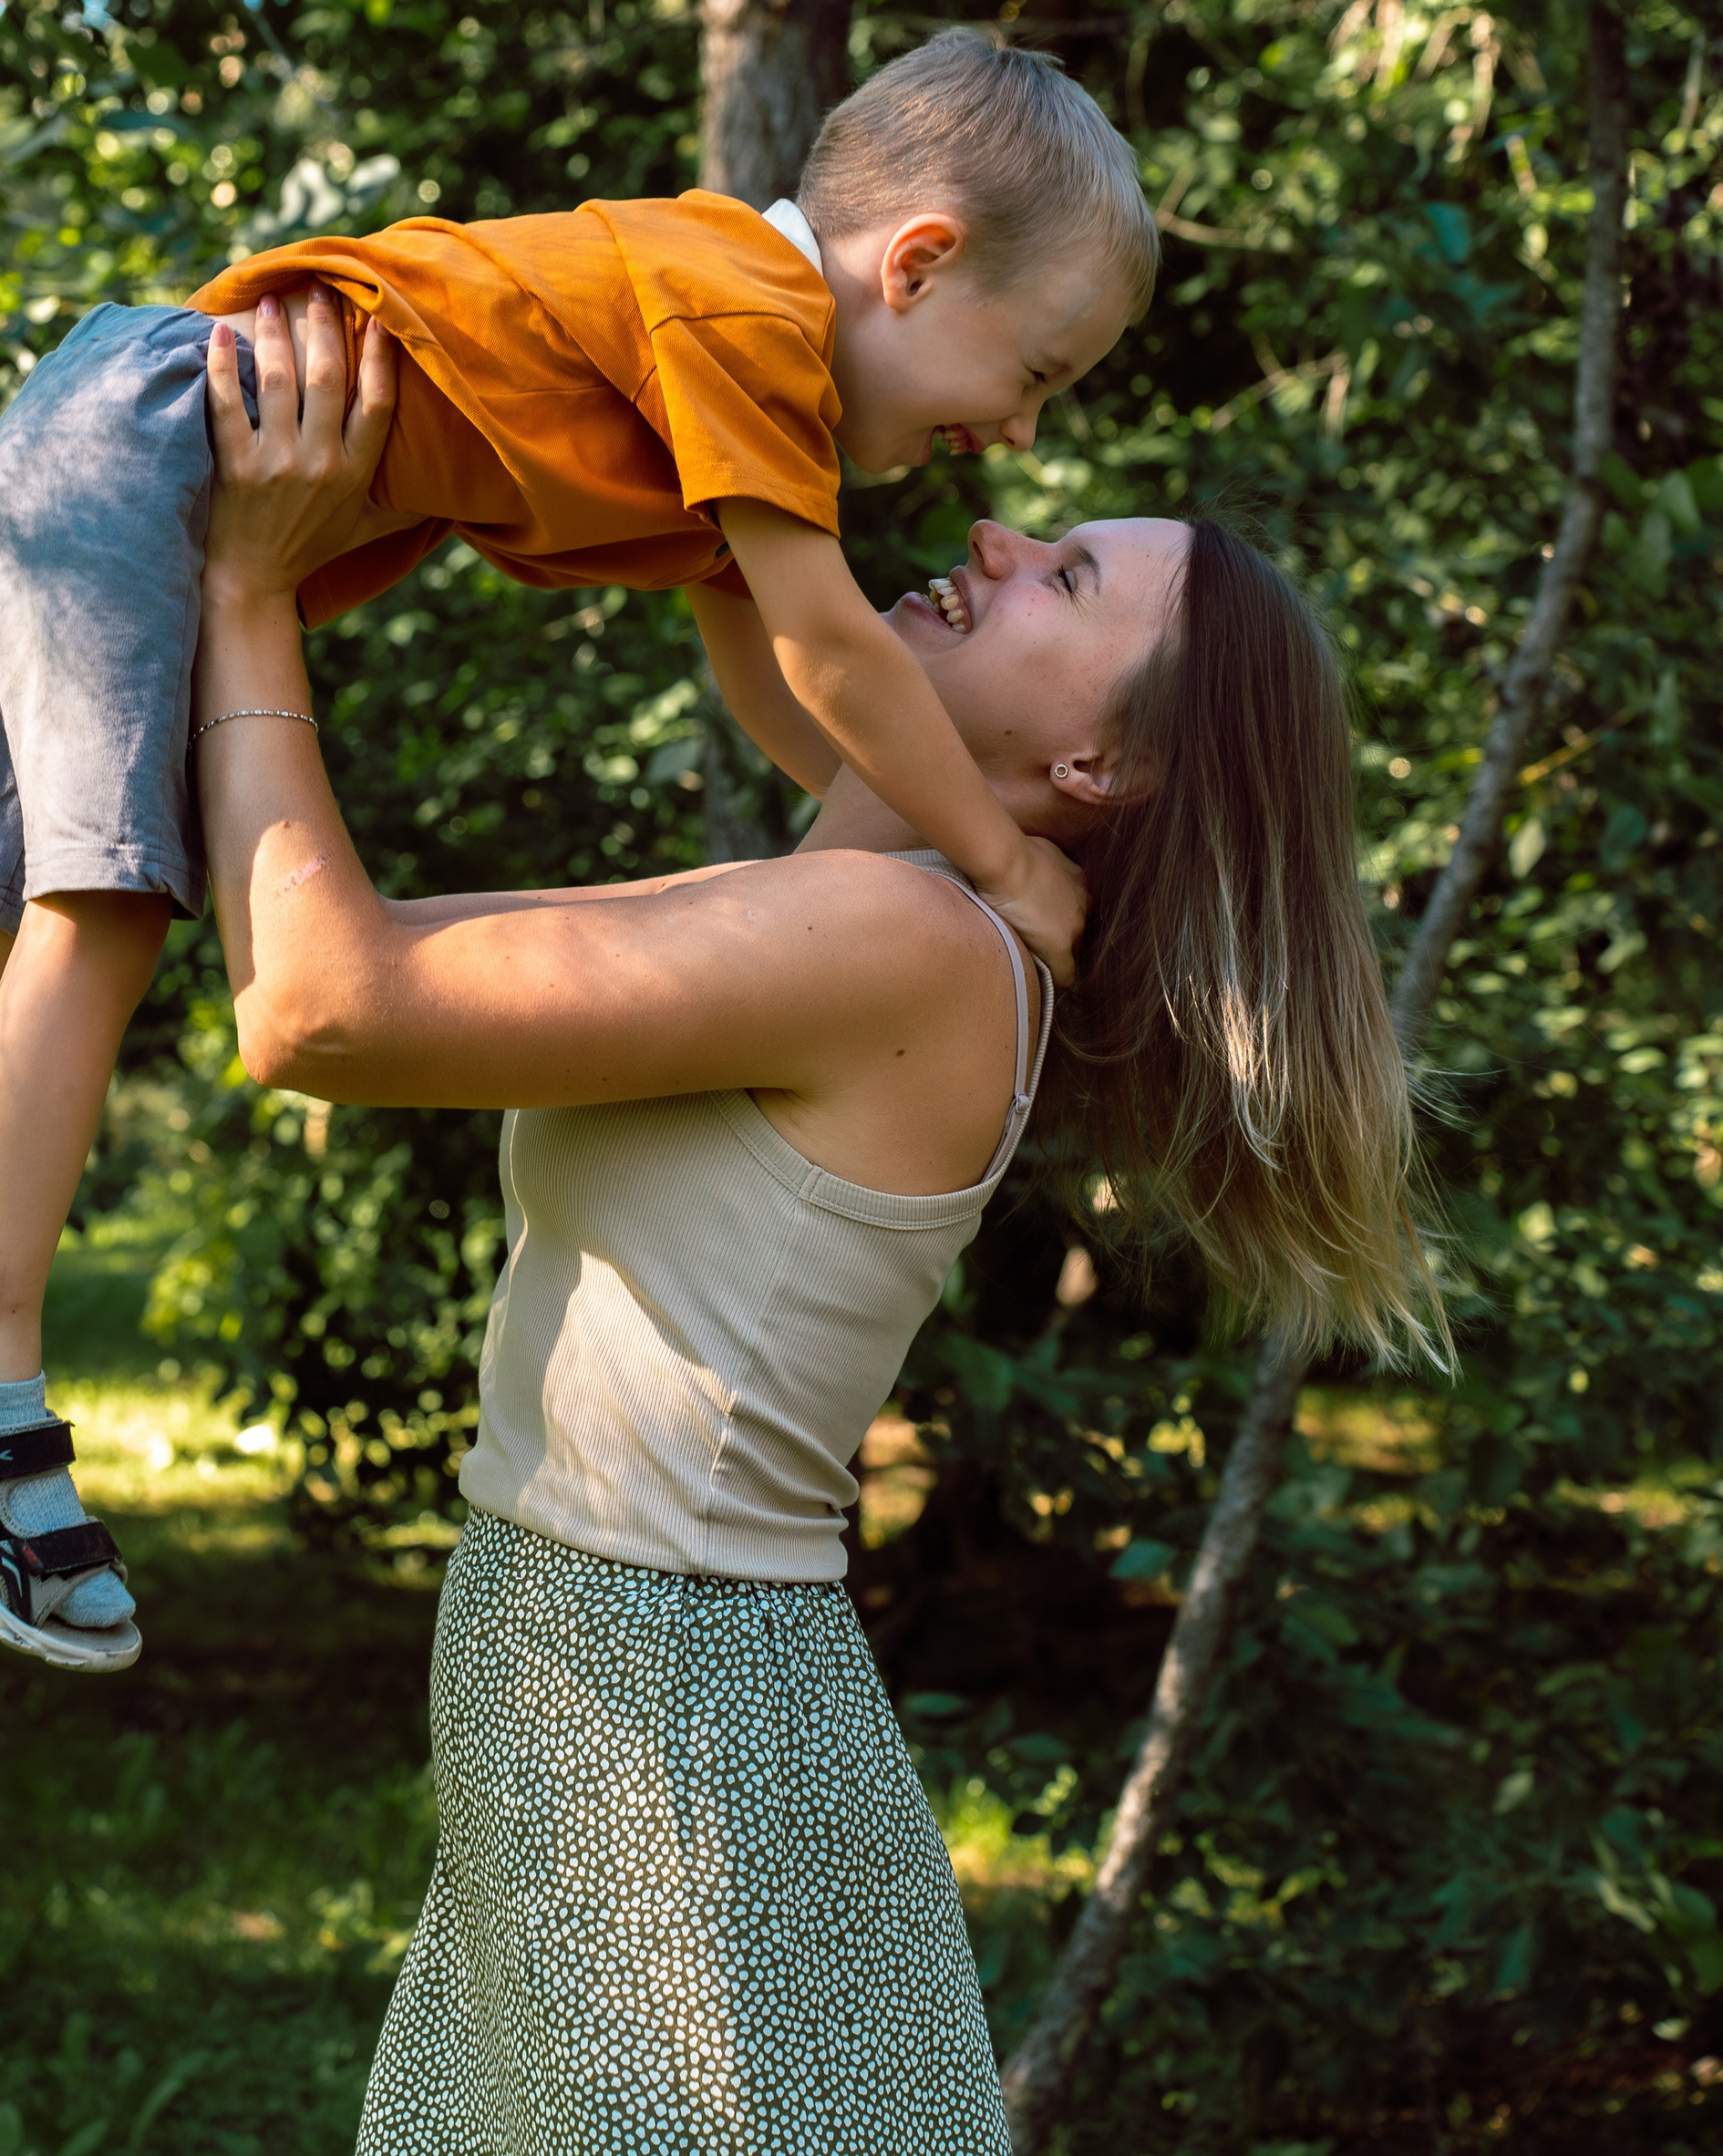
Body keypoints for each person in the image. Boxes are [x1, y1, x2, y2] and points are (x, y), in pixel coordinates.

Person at [187, 297, 1447, 2153]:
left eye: (1068, 578)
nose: (1000, 536)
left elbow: (318, 1006)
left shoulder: (906, 946)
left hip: (663, 1710)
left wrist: (245, 594)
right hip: (620, 1682)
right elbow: (762, 612)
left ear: (1097, 771)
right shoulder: (880, 893)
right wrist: (727, 394)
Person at [0, 30, 1156, 1666]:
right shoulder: (754, 325)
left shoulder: (708, 331)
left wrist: (886, 833)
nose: (1025, 437)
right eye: (1037, 373)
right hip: (158, 450)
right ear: (917, 265)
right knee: (95, 915)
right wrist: (1002, 854)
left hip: (93, 425)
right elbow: (831, 645)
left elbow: (769, 672)